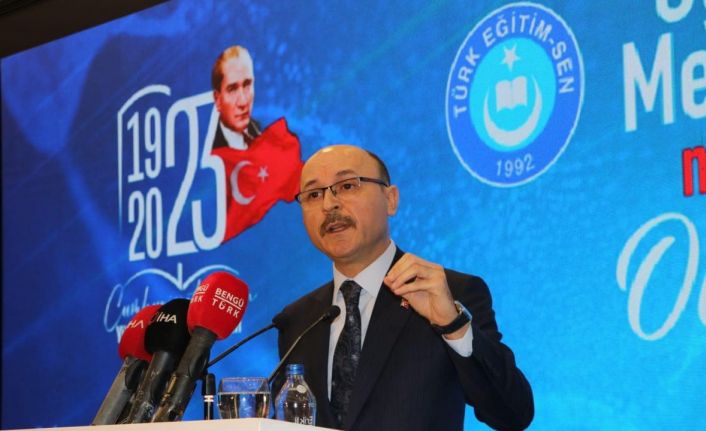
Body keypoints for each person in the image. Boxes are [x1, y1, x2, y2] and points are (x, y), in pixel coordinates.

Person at [274, 144, 534, 430]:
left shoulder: (451, 294)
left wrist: (453, 325)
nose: (328, 205)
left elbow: (512, 414)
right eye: (313, 194)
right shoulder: (296, 321)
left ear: (391, 199)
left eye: (347, 186)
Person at [211, 45, 261, 150]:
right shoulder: (208, 151)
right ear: (217, 99)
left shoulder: (262, 132)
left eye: (247, 85)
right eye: (232, 89)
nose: (243, 102)